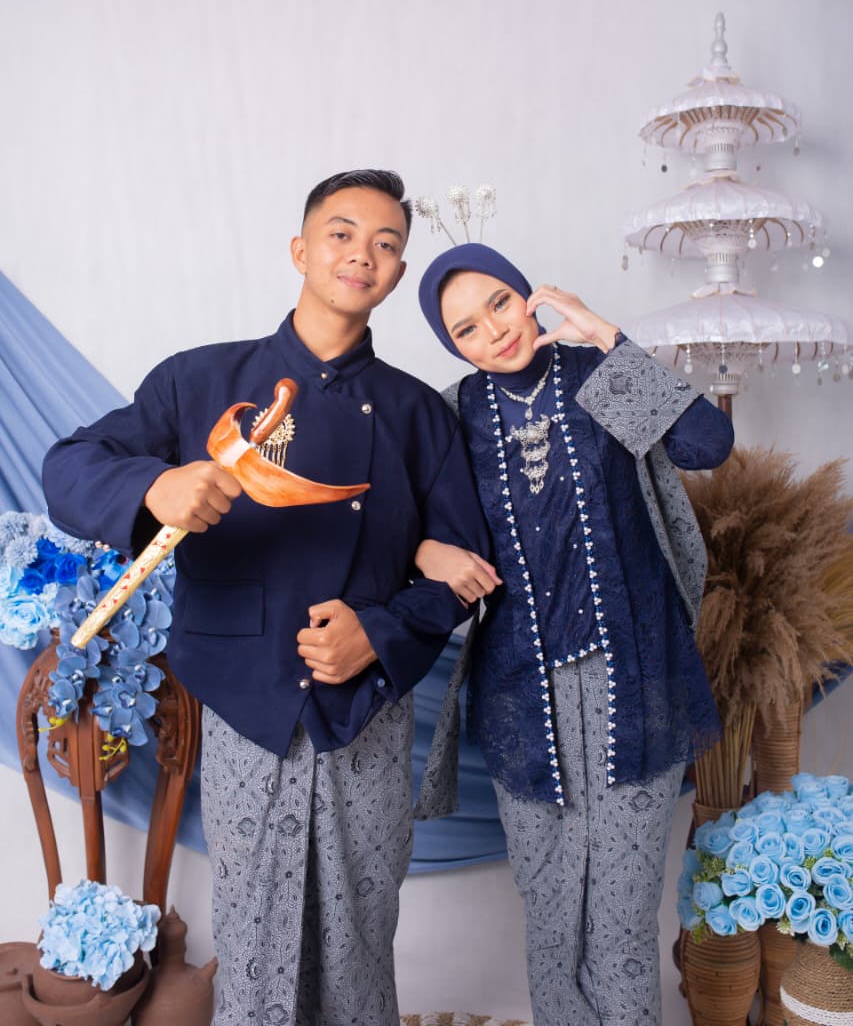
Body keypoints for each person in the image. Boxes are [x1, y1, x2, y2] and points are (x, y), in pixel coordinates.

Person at [42, 171, 490, 1026]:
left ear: (397, 275)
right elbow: (68, 466)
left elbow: (462, 574)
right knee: (252, 945)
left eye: (386, 244)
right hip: (244, 706)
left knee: (359, 943)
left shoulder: (416, 414)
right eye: (341, 233)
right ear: (301, 250)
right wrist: (155, 487)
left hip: (368, 713)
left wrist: (379, 632)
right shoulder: (199, 380)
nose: (361, 254)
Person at [414, 242, 734, 1026]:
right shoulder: (452, 416)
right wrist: (424, 550)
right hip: (521, 696)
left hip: (636, 680)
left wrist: (606, 337)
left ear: (529, 294)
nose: (493, 330)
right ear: (451, 345)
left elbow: (706, 446)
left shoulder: (599, 376)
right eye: (465, 328)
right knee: (552, 920)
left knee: (619, 922)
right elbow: (403, 526)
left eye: (499, 302)